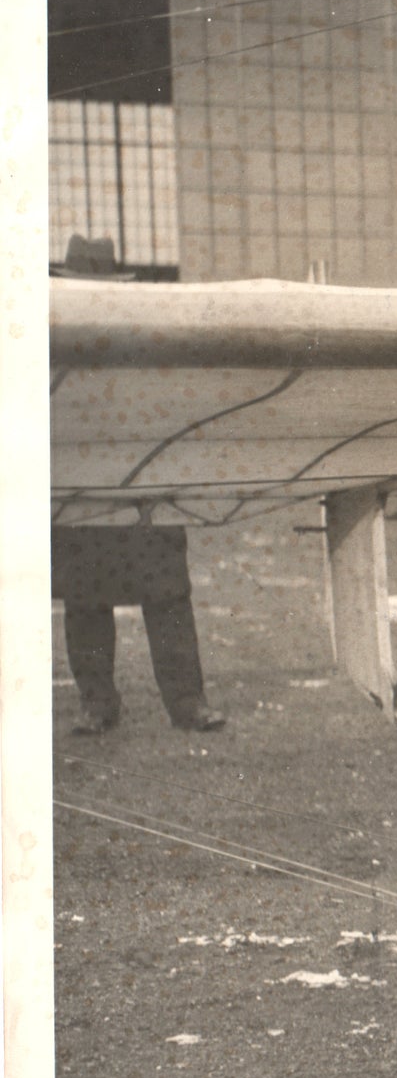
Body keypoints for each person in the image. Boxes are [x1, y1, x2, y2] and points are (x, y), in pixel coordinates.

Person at [50, 238, 226, 734]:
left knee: (167, 592)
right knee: (85, 601)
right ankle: (97, 703)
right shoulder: (46, 343)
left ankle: (188, 703)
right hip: (80, 488)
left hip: (141, 483)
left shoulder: (144, 341)